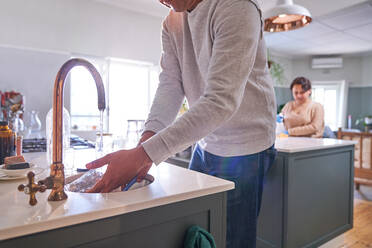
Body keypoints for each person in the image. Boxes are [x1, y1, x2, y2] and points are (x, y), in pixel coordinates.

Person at [86, 0, 277, 247]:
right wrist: (146, 141)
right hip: (206, 141)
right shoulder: (172, 21)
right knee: (197, 232)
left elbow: (221, 100)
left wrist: (144, 155)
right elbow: (170, 84)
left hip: (246, 146)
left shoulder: (237, 6)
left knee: (233, 240)